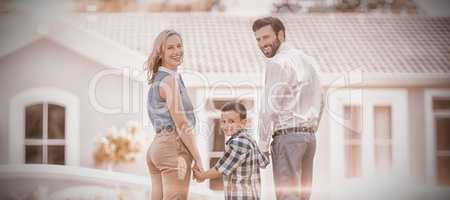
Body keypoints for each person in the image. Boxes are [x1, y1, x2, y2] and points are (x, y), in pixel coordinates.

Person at [252, 17, 323, 200]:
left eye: (266, 37)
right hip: (309, 139)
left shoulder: (277, 63)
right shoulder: (309, 61)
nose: (262, 44)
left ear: (280, 34)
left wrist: (262, 145)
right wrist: (309, 128)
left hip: (287, 137)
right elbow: (321, 99)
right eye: (258, 39)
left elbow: (269, 108)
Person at [145, 29, 204, 200]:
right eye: (170, 48)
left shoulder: (159, 79)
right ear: (160, 52)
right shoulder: (169, 80)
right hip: (173, 148)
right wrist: (198, 158)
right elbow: (182, 123)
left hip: (157, 148)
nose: (177, 51)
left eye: (179, 46)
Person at [193, 102, 269, 200]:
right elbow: (263, 162)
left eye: (231, 121)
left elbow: (220, 169)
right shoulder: (250, 140)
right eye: (223, 121)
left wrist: (203, 176)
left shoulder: (238, 143)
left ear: (243, 123)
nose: (226, 125)